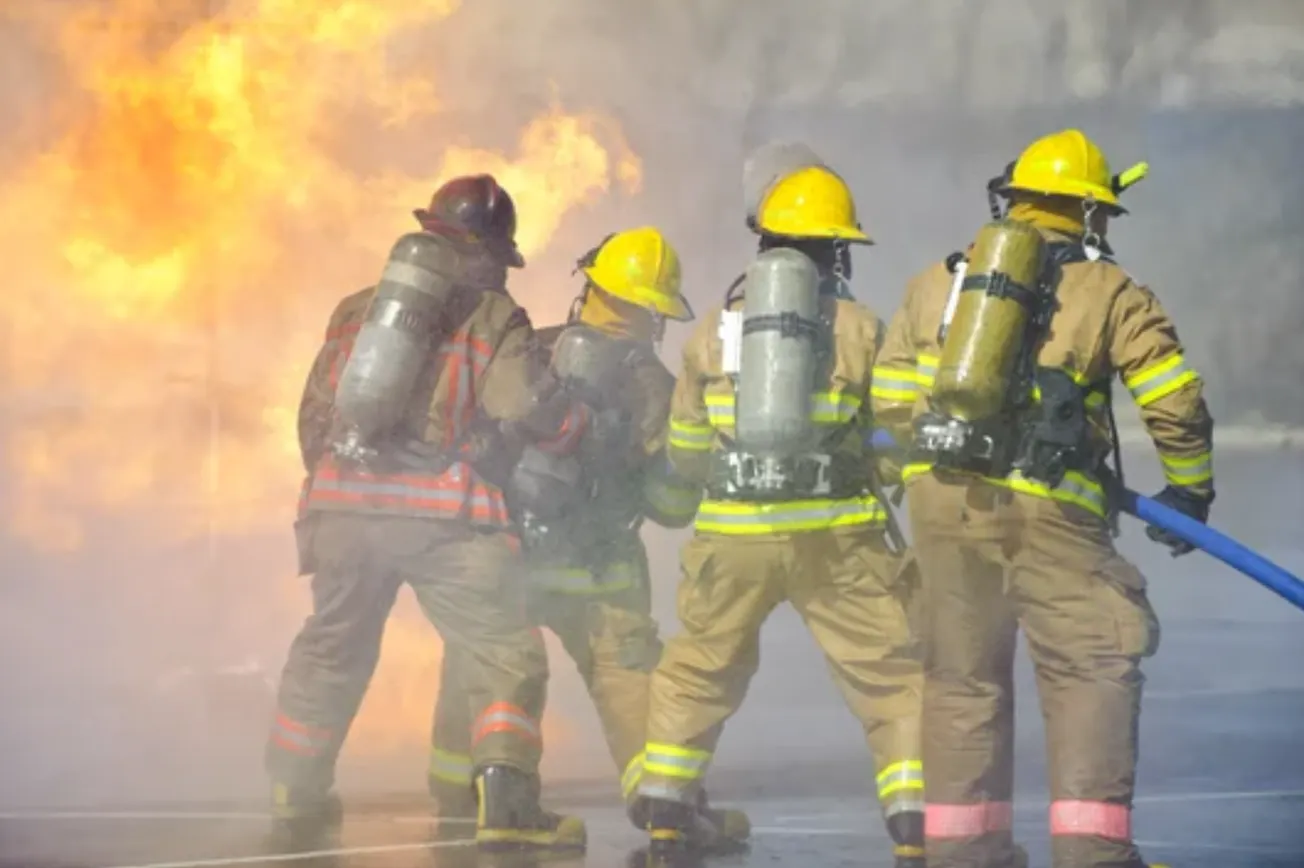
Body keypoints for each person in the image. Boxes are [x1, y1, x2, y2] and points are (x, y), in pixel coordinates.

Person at [871, 128, 1211, 868]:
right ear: (1087, 213)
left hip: (943, 507)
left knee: (962, 685)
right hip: (1050, 516)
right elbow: (1173, 400)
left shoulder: (938, 282)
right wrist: (1189, 490)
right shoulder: (1109, 291)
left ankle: (965, 855)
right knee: (1089, 671)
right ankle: (1092, 858)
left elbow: (891, 401)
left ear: (1015, 199)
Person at [268, 174, 588, 853]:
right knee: (504, 651)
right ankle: (506, 802)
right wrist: (571, 424)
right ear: (487, 250)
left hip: (342, 511)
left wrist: (338, 490)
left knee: (333, 647)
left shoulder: (359, 309)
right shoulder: (496, 317)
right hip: (445, 519)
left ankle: (295, 791)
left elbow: (313, 413)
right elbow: (520, 405)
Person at [634, 161, 926, 865]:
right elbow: (893, 429)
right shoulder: (860, 327)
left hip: (734, 533)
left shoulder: (711, 331)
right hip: (839, 535)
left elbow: (686, 451)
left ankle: (668, 810)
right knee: (891, 672)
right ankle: (916, 816)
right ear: (835, 249)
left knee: (700, 665)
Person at [426, 227, 749, 846]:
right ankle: (668, 807)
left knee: (481, 660)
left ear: (592, 286)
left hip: (509, 554)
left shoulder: (531, 350)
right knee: (625, 675)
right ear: (652, 312)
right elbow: (671, 504)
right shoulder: (654, 383)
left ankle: (462, 794)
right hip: (602, 570)